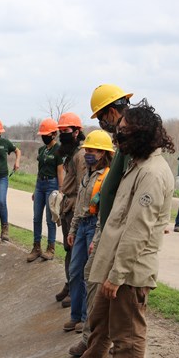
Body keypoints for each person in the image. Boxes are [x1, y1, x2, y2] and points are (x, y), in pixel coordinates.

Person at [66, 101, 175, 358]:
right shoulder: (136, 165)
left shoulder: (153, 174)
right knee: (99, 324)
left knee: (127, 335)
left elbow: (138, 231)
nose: (117, 138)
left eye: (124, 133)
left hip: (129, 272)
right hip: (112, 266)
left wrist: (117, 275)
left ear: (141, 135)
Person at [68, 83, 133, 358]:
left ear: (110, 111)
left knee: (113, 289)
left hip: (117, 230)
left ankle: (104, 346)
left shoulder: (130, 143)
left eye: (102, 117)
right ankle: (91, 338)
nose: (102, 123)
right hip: (102, 227)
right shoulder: (122, 142)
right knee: (90, 278)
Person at [63, 130, 114, 333]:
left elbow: (104, 212)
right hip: (82, 225)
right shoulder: (87, 174)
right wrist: (73, 228)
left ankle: (85, 318)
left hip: (94, 226)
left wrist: (97, 237)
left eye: (92, 150)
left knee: (88, 274)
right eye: (87, 150)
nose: (88, 153)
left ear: (103, 153)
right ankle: (75, 315)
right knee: (75, 271)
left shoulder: (107, 177)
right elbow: (80, 204)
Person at [54, 112, 87, 307]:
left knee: (76, 252)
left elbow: (84, 185)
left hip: (76, 207)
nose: (62, 134)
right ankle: (70, 285)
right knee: (68, 249)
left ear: (76, 132)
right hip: (67, 205)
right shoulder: (71, 153)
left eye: (65, 131)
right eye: (60, 131)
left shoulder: (81, 155)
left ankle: (76, 293)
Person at [27, 118, 64, 262]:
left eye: (46, 134)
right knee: (36, 217)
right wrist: (35, 189)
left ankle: (51, 248)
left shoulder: (58, 150)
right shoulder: (41, 150)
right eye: (42, 134)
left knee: (50, 219)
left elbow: (60, 171)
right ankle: (36, 247)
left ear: (54, 134)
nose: (44, 136)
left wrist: (60, 190)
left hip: (52, 184)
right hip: (40, 185)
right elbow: (39, 169)